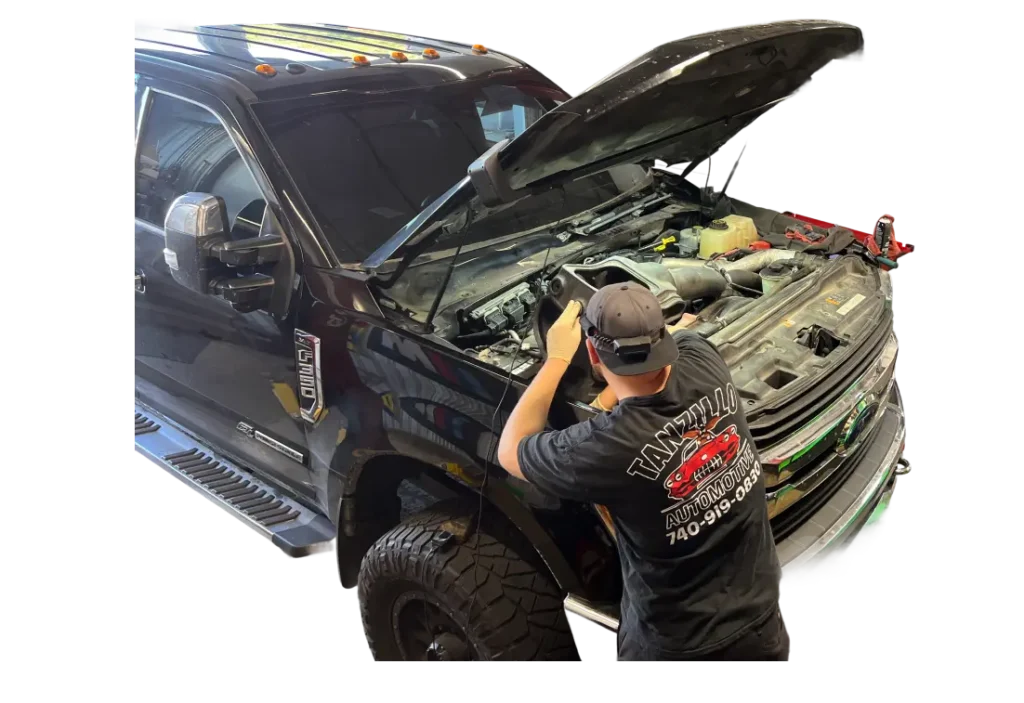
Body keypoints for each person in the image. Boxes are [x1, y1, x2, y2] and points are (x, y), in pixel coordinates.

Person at [496, 282, 790, 664]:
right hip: (762, 616)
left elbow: (510, 449)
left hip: (680, 645)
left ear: (591, 352)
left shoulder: (606, 447)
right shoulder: (705, 360)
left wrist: (555, 360)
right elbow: (673, 351)